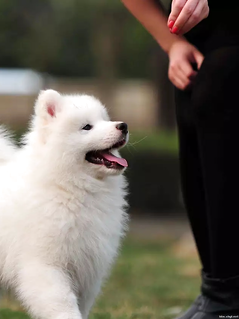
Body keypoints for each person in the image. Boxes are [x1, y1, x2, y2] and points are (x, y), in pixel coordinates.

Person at [120, 0, 239, 318]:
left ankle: (228, 297)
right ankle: (220, 292)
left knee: (220, 84)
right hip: (198, 39)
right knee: (199, 109)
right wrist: (172, 44)